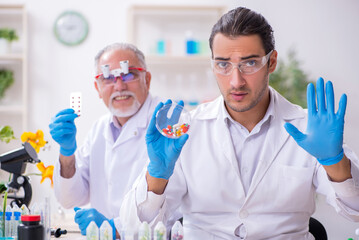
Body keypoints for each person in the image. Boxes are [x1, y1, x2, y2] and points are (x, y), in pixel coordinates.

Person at [119, 7, 359, 239]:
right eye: (223, 64)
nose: (236, 81)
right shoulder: (187, 131)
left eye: (250, 63)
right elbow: (135, 226)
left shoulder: (308, 128)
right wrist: (157, 175)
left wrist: (335, 161)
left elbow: (355, 211)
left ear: (271, 62)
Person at [49, 43, 161, 239]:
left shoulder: (168, 123)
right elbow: (70, 199)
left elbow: (178, 206)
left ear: (147, 80)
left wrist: (116, 227)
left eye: (129, 74)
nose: (119, 86)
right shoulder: (98, 129)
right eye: (108, 78)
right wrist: (66, 153)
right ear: (97, 88)